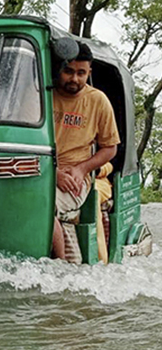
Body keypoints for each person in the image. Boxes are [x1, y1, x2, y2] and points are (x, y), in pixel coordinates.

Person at [51, 42, 120, 264]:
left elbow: (110, 148)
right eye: (69, 71)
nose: (74, 79)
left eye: (81, 73)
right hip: (40, 171)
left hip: (74, 178)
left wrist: (82, 169)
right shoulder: (41, 95)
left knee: (43, 206)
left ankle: (59, 268)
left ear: (89, 72)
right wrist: (53, 172)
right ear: (59, 69)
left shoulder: (97, 100)